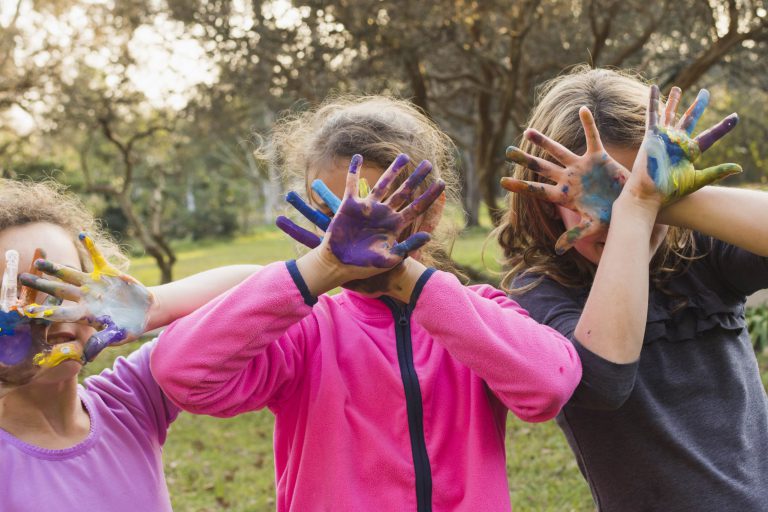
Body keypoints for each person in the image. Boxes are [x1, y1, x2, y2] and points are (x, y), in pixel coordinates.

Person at [150, 96, 583, 511]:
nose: (352, 228)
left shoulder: (475, 316)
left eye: (380, 205)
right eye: (332, 211)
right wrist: (316, 269)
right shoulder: (306, 333)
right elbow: (180, 372)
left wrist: (407, 279)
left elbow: (549, 386)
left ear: (431, 212)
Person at [498, 66, 768, 511]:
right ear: (547, 204)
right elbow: (603, 384)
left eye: (629, 190)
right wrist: (638, 206)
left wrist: (656, 199)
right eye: (593, 198)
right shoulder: (540, 292)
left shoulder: (699, 257)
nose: (617, 217)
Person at [0, 179, 262, 511]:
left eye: (67, 284)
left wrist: (156, 305)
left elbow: (260, 287)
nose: (51, 311)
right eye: (22, 294)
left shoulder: (130, 398)